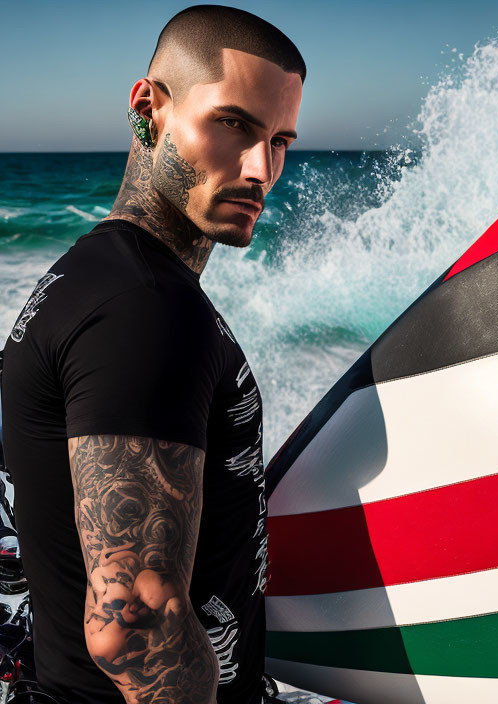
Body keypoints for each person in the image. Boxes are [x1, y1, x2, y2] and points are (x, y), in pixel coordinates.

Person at [0, 5, 305, 703]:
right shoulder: (147, 309)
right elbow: (133, 628)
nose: (262, 169)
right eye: (234, 125)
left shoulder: (89, 276)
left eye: (281, 141)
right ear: (150, 109)